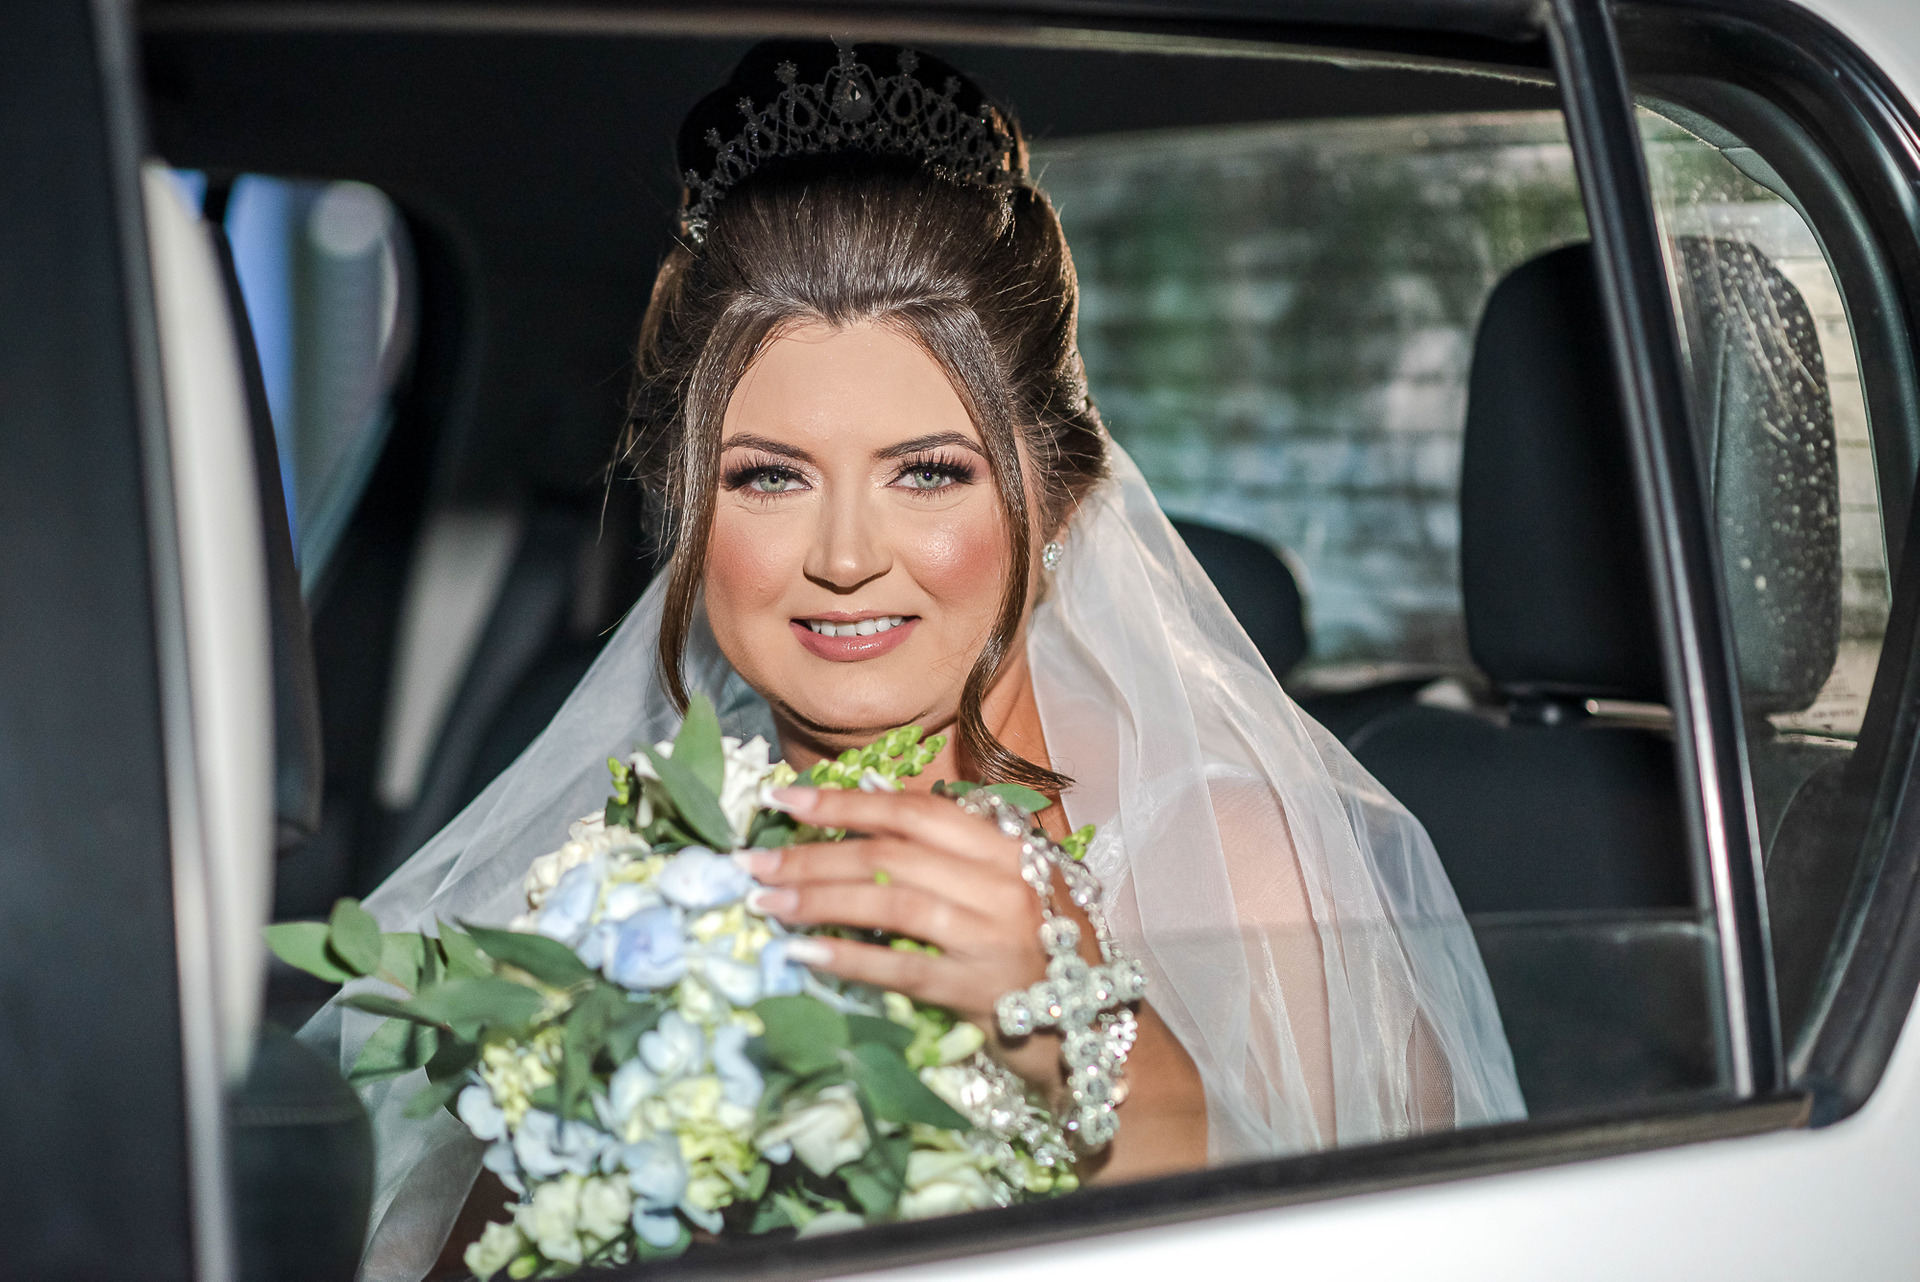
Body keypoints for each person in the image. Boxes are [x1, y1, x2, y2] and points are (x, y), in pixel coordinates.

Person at [308, 40, 1524, 1280]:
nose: (844, 556)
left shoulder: (1238, 866)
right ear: (686, 505)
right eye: (768, 477)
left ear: (1058, 496)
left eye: (929, 472)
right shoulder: (619, 884)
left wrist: (1082, 1041)